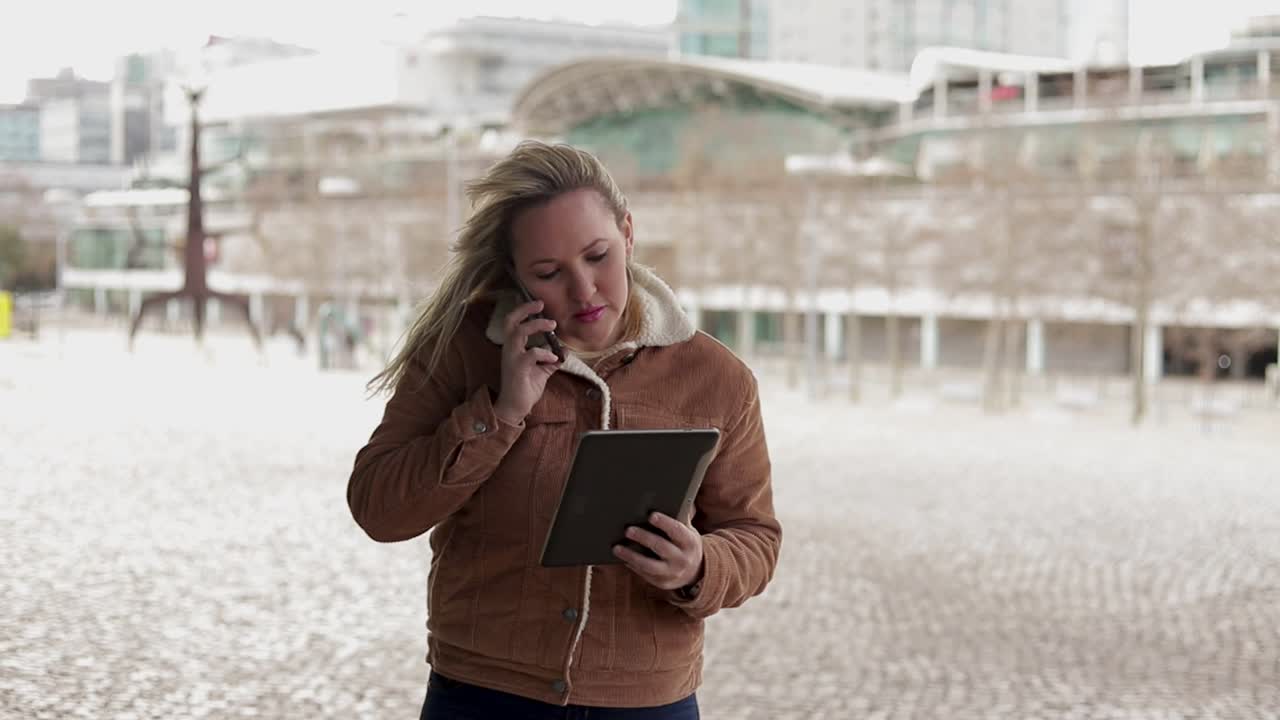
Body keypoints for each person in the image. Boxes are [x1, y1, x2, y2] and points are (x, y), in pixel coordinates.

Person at [347, 141, 781, 719]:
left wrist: (701, 564)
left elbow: (755, 535)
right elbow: (379, 508)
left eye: (598, 255)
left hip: (646, 700)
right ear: (516, 276)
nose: (584, 291)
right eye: (549, 273)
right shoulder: (463, 350)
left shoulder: (718, 379)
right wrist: (500, 411)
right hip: (483, 694)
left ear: (628, 233)